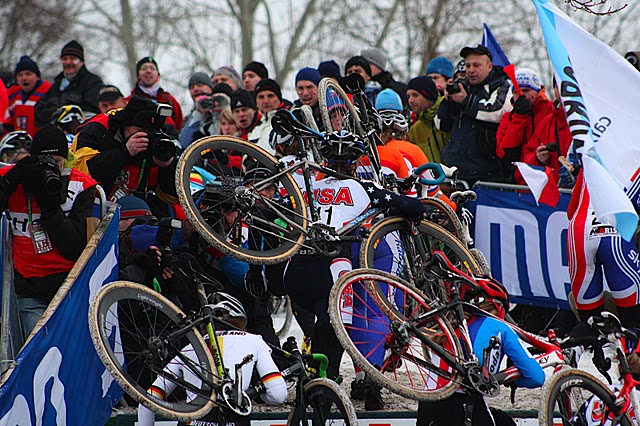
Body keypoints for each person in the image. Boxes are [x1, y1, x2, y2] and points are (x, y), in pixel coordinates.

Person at [281, 130, 426, 394]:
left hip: (295, 270)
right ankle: (331, 382)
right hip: (333, 268)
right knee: (338, 324)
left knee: (315, 325)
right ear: (356, 163)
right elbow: (413, 208)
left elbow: (279, 207)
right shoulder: (366, 188)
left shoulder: (309, 186)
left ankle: (312, 370)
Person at [0, 124, 96, 339]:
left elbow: (73, 247)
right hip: (29, 287)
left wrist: (50, 207)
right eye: (44, 161)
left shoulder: (81, 186)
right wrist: (11, 181)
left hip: (71, 285)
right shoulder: (13, 177)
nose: (52, 167)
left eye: (58, 162)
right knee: (38, 348)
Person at [137, 292, 287, 426]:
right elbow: (278, 394)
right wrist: (252, 394)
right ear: (241, 321)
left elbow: (147, 403)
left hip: (193, 420)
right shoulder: (253, 340)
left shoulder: (189, 347)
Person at [416, 274, 545, 426]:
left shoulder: (451, 329)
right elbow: (536, 377)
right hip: (464, 406)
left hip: (427, 405)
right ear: (500, 308)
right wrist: (513, 380)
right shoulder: (500, 327)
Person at [73, 96, 179, 218]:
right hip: (94, 206)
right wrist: (125, 151)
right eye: (140, 130)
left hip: (135, 208)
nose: (145, 136)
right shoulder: (98, 129)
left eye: (149, 131)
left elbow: (172, 196)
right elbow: (82, 173)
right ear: (125, 125)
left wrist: (166, 166)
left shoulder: (155, 141)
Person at [438, 44, 514, 184]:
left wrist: (466, 101)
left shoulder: (502, 85)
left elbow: (497, 111)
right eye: (468, 66)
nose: (471, 70)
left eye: (476, 65)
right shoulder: (461, 86)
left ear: (489, 66)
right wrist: (447, 102)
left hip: (489, 174)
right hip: (456, 170)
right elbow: (440, 124)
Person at [496, 68, 554, 184]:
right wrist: (519, 117)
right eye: (516, 92)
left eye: (526, 90)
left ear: (537, 92)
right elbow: (504, 153)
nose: (521, 96)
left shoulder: (552, 111)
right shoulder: (509, 118)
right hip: (520, 181)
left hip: (549, 179)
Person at [34, 40, 103, 127]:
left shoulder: (93, 82)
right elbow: (39, 111)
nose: (68, 62)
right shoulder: (56, 85)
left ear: (81, 61)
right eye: (65, 59)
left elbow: (91, 110)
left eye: (72, 58)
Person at [128, 57, 183, 131]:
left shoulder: (169, 99)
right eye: (144, 68)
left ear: (158, 75)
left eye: (152, 68)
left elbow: (179, 125)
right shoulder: (130, 101)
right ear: (138, 75)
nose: (148, 71)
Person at [406, 76, 449, 164]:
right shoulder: (415, 130)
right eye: (408, 96)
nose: (410, 100)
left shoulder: (449, 115)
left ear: (428, 95)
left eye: (415, 95)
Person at [4, 56, 51, 136]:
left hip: (41, 143)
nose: (24, 78)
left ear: (37, 77)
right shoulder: (14, 95)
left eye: (28, 74)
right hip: (20, 144)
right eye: (20, 75)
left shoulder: (48, 93)